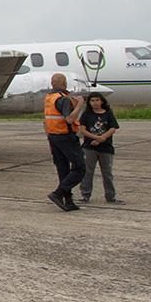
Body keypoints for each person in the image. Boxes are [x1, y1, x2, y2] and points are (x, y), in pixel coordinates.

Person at [43, 73, 86, 211]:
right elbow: (69, 119)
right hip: (65, 137)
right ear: (64, 83)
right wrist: (80, 105)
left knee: (63, 169)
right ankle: (58, 193)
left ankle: (68, 201)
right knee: (80, 167)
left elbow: (47, 119)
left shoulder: (49, 98)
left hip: (53, 137)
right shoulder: (63, 99)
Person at [77, 93, 122, 205]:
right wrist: (96, 137)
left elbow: (113, 128)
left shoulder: (108, 113)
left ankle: (110, 196)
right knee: (88, 172)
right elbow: (82, 129)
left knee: (107, 173)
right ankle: (85, 195)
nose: (95, 103)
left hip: (106, 148)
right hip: (89, 147)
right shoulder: (86, 114)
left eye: (97, 100)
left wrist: (102, 138)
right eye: (92, 100)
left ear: (102, 101)